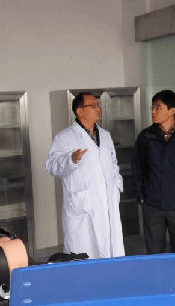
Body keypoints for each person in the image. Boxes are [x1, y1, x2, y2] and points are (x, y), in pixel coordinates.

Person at [45, 92, 124, 259]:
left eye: (98, 104)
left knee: (111, 251)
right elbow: (51, 167)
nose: (98, 108)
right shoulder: (64, 137)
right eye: (93, 105)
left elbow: (113, 165)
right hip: (83, 205)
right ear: (79, 111)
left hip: (108, 202)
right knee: (85, 253)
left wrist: (117, 185)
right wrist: (70, 160)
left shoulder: (105, 135)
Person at [132, 90, 175, 254]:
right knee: (154, 252)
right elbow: (137, 168)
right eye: (152, 107)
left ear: (172, 110)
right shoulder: (146, 136)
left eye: (158, 107)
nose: (153, 111)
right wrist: (140, 195)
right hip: (152, 205)